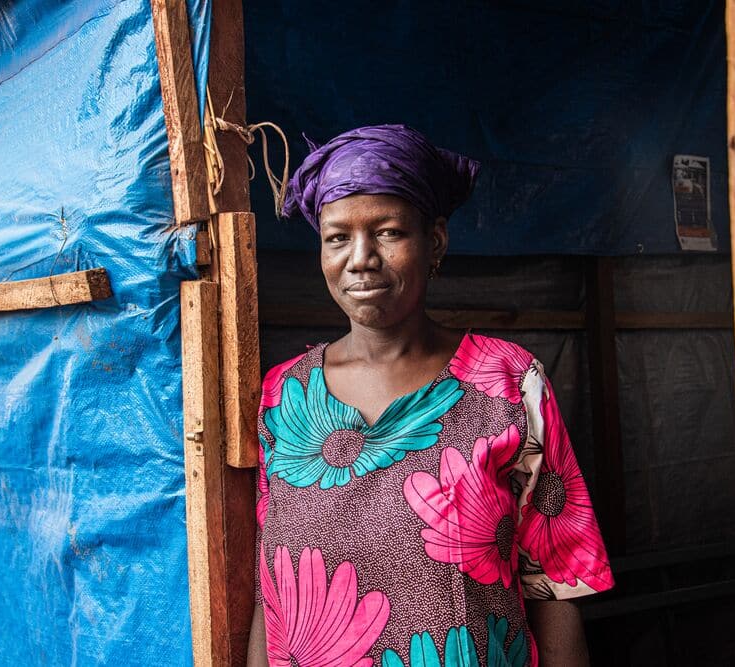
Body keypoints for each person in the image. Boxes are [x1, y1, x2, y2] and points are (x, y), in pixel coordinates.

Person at [247, 125, 614, 667]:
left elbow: (555, 583)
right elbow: (270, 592)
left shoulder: (507, 383)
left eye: (388, 232)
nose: (360, 258)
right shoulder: (282, 396)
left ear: (435, 241)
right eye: (337, 237)